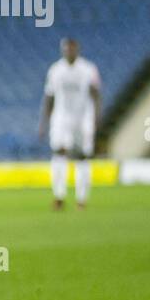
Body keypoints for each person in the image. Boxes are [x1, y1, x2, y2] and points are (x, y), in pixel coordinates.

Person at [40, 38, 101, 210]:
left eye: (72, 49)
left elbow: (96, 94)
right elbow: (49, 97)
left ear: (77, 50)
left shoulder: (88, 69)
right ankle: (59, 196)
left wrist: (97, 118)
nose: (69, 52)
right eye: (66, 49)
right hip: (61, 118)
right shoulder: (55, 70)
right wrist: (43, 123)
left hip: (83, 118)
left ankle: (81, 199)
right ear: (62, 50)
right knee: (59, 153)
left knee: (82, 157)